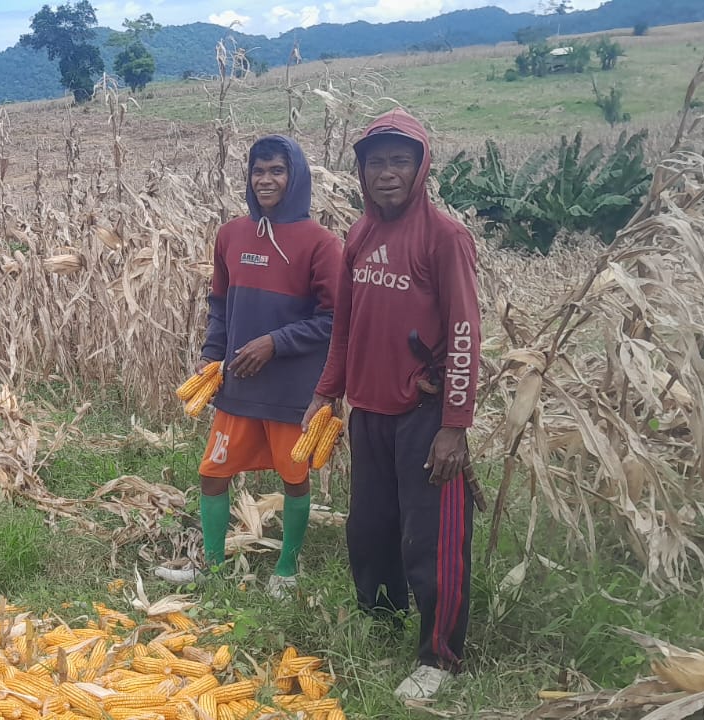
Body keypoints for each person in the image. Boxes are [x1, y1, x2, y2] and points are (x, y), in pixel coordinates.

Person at [304, 108, 482, 701]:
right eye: (376, 162)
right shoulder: (359, 235)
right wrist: (326, 391)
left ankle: (440, 657)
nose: (387, 173)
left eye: (399, 161)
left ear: (420, 167)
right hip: (369, 413)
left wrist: (455, 425)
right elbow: (344, 327)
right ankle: (381, 621)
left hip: (425, 415)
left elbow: (465, 333)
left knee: (431, 541)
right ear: (361, 171)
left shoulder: (445, 238)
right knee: (371, 529)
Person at [154, 134, 341, 597]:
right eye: (258, 171)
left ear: (295, 176)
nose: (265, 180)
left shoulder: (321, 244)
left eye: (277, 170)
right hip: (238, 383)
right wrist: (211, 354)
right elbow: (220, 303)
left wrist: (275, 343)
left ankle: (287, 570)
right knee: (212, 473)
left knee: (294, 478)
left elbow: (334, 318)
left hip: (292, 390)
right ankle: (212, 568)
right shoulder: (231, 235)